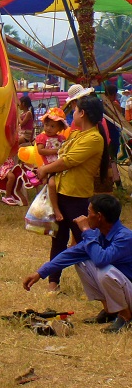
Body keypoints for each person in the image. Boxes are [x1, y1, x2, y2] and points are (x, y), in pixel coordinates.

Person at [23, 194, 132, 333]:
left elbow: (101, 259)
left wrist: (86, 231)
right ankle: (110, 311)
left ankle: (125, 316)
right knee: (83, 262)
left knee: (105, 271)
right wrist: (40, 273)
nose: (85, 218)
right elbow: (71, 254)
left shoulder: (125, 237)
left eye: (89, 213)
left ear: (99, 216)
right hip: (124, 290)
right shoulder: (98, 234)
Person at [35, 94, 109, 292]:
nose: (72, 114)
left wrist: (45, 170)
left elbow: (68, 160)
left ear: (82, 113)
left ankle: (105, 286)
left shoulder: (93, 138)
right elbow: (63, 155)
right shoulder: (76, 135)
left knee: (87, 243)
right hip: (61, 192)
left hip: (76, 197)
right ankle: (53, 283)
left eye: (75, 110)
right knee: (58, 239)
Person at [35, 107, 68, 221]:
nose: (48, 128)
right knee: (52, 184)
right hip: (49, 167)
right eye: (47, 125)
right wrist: (56, 151)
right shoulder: (42, 137)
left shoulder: (62, 138)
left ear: (60, 128)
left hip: (61, 165)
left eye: (52, 126)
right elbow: (41, 150)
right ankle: (56, 209)